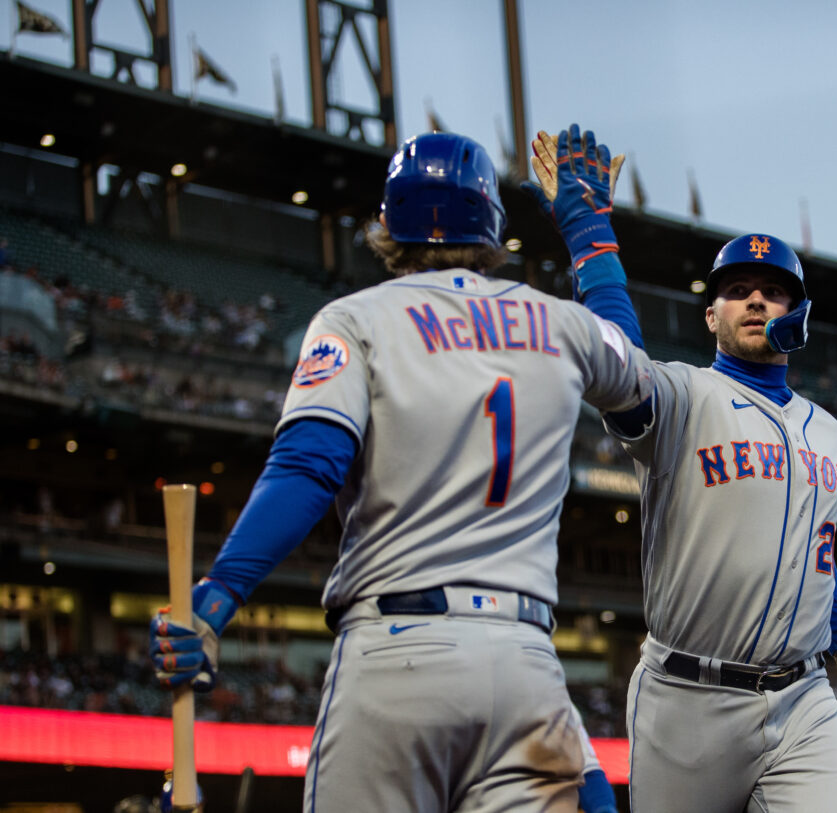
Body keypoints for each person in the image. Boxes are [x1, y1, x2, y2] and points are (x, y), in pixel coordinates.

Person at [150, 131, 654, 812]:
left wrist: (216, 599)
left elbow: (309, 465)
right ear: (492, 224)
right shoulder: (560, 323)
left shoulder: (357, 318)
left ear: (388, 223)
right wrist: (589, 228)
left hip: (394, 658)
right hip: (522, 663)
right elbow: (641, 385)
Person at [526, 125, 837, 813]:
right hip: (688, 699)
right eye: (739, 290)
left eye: (774, 291)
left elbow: (814, 554)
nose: (756, 300)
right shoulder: (683, 395)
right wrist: (588, 233)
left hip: (803, 699)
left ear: (799, 314)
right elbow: (617, 358)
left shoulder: (830, 434)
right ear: (710, 316)